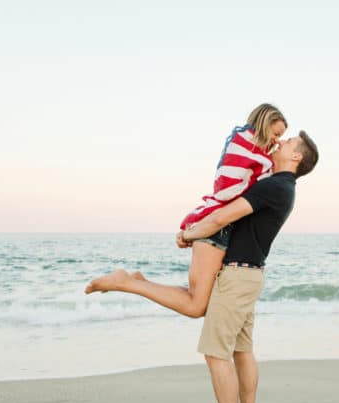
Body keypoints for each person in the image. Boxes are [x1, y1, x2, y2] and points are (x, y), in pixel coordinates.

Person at [179, 131, 319, 403]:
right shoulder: (282, 188)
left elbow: (222, 216)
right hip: (249, 274)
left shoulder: (273, 186)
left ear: (296, 157)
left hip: (239, 276)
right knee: (242, 350)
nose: (280, 143)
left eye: (287, 143)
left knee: (216, 353)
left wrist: (189, 234)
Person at [84, 103, 287, 318]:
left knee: (199, 301)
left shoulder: (244, 145)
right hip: (216, 229)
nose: (277, 141)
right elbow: (229, 191)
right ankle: (125, 282)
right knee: (195, 306)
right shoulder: (250, 149)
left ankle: (137, 282)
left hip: (218, 228)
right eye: (276, 134)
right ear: (264, 123)